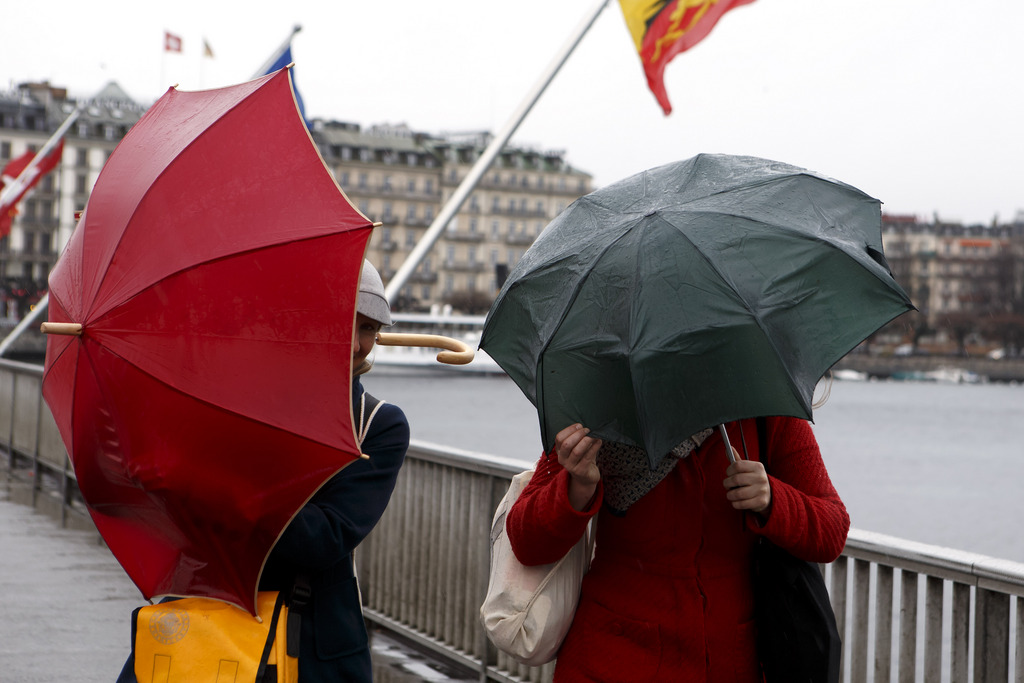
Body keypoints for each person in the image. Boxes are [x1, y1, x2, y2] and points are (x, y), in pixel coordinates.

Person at [117, 259, 409, 683]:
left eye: (369, 329)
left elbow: (324, 538)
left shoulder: (377, 424)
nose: (356, 344)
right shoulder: (231, 402)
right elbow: (175, 510)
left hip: (308, 645)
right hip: (207, 624)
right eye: (346, 321)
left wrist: (220, 483)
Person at [505, 416, 849, 682]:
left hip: (729, 663)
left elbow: (833, 529)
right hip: (609, 660)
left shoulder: (764, 410)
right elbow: (526, 541)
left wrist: (773, 499)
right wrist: (576, 486)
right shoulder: (602, 409)